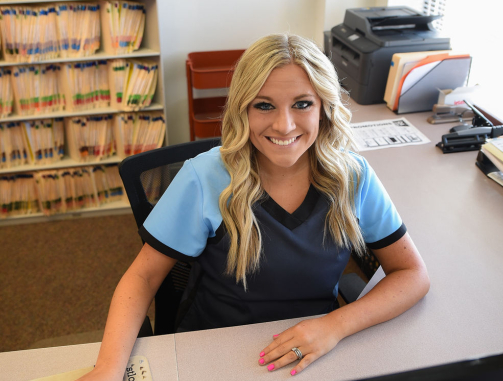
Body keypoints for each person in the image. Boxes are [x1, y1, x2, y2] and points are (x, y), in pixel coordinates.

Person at [80, 34, 429, 380]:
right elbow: (142, 277)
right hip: (214, 352)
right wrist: (108, 369)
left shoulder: (352, 177)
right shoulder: (206, 177)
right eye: (264, 105)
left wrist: (335, 326)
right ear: (243, 109)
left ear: (324, 107)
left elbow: (412, 274)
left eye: (302, 104)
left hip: (309, 351)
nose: (284, 125)